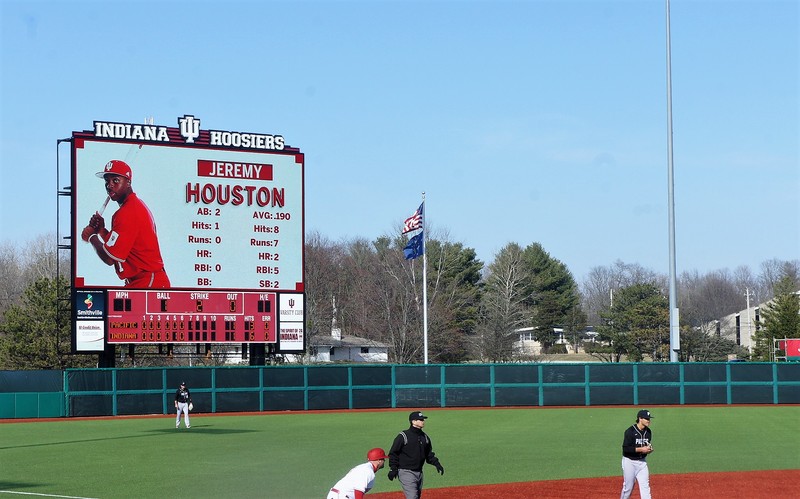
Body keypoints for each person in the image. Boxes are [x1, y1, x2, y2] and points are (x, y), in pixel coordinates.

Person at [81, 159, 170, 288]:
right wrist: (101, 230)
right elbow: (120, 246)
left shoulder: (128, 212)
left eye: (115, 180)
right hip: (139, 281)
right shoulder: (131, 207)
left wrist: (91, 237)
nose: (109, 185)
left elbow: (109, 258)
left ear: (128, 182)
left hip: (149, 281)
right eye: (107, 181)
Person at [387, 411, 444, 499]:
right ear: (413, 421)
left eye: (423, 419)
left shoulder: (424, 437)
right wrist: (393, 469)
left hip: (419, 473)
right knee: (412, 497)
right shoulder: (403, 436)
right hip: (406, 472)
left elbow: (429, 454)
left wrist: (437, 464)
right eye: (420, 420)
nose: (423, 421)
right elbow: (393, 453)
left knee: (416, 497)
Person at [620, 409, 654, 499]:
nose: (648, 421)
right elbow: (626, 449)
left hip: (642, 463)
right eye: (646, 419)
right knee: (628, 488)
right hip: (629, 462)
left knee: (645, 487)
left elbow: (646, 445)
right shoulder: (630, 431)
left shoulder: (648, 432)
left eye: (649, 419)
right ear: (640, 418)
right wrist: (641, 449)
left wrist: (648, 450)